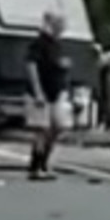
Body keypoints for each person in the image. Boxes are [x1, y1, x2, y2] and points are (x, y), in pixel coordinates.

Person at [26, 10, 69, 180]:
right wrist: (37, 91)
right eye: (61, 24)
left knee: (58, 126)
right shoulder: (39, 43)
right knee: (41, 130)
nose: (63, 28)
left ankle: (44, 161)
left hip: (56, 92)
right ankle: (35, 166)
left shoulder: (58, 45)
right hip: (40, 92)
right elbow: (31, 66)